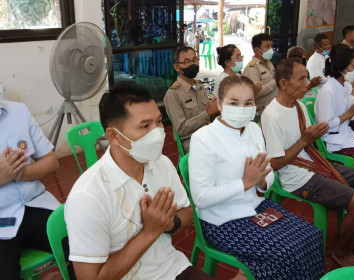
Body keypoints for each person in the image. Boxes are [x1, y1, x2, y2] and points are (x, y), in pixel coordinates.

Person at [65, 81, 212, 280]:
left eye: (159, 122)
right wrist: (150, 231)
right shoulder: (88, 196)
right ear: (114, 136)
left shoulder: (161, 164)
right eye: (145, 126)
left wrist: (169, 222)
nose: (158, 133)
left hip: (173, 268)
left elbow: (186, 212)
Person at [189, 75, 324, 280]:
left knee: (312, 237)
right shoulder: (203, 138)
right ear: (219, 103)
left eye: (248, 103)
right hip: (222, 219)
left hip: (256, 206)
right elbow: (201, 198)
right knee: (283, 255)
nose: (242, 108)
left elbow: (268, 172)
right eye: (234, 103)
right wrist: (245, 183)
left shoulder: (253, 128)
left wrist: (260, 182)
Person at [261, 58, 354, 267]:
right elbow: (276, 164)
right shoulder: (272, 115)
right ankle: (341, 252)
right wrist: (306, 139)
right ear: (283, 83)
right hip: (296, 176)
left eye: (307, 77)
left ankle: (350, 238)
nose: (308, 83)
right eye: (302, 79)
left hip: (314, 162)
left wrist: (312, 136)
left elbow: (309, 140)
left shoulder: (298, 106)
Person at [0, 100, 66, 278]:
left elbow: (51, 161)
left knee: (90, 245)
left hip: (36, 205)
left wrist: (21, 173)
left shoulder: (18, 111)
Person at [315, 46, 354, 173]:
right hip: (333, 139)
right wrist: (351, 113)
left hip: (346, 132)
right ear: (341, 68)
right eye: (353, 67)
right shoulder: (329, 91)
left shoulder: (343, 85)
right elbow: (325, 127)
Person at [164, 46, 219, 153]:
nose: (193, 64)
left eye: (194, 60)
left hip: (209, 134)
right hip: (192, 141)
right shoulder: (173, 94)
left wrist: (216, 110)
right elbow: (180, 129)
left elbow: (209, 115)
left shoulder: (199, 86)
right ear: (177, 67)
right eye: (187, 62)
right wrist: (207, 113)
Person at [243, 33, 277, 116]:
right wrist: (275, 81)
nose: (271, 49)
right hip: (263, 111)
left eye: (271, 46)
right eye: (267, 46)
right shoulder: (252, 68)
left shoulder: (269, 63)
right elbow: (255, 92)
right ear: (257, 50)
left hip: (274, 107)